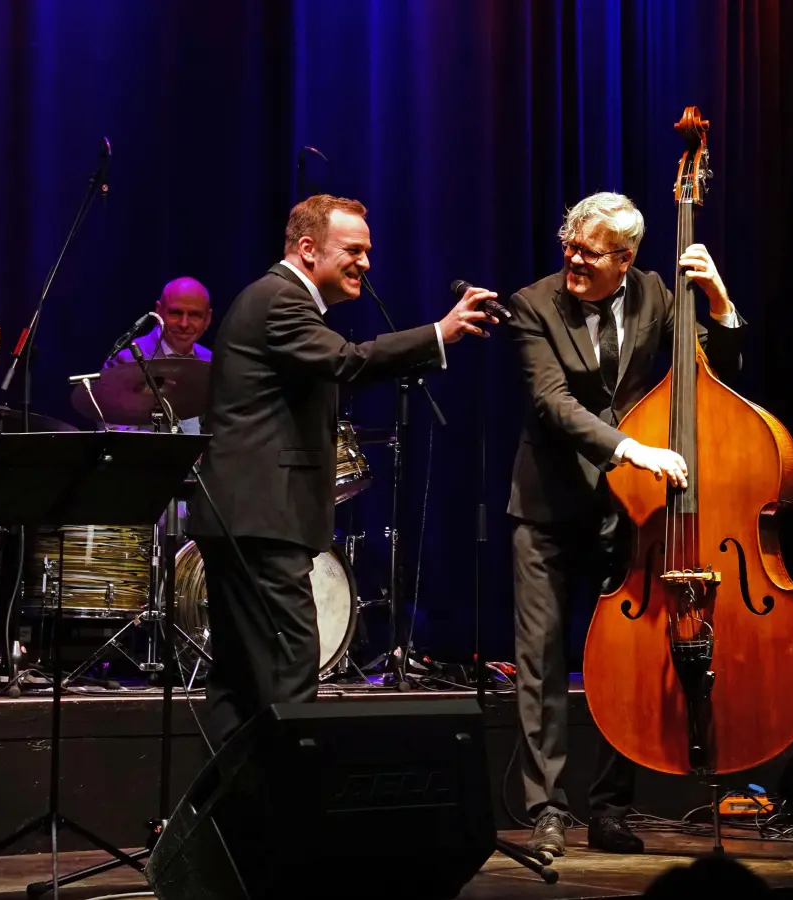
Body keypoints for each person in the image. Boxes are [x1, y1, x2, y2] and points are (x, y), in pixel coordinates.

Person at [186, 194, 496, 744]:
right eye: (353, 249)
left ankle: (229, 820)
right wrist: (437, 335)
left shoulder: (277, 300)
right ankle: (285, 820)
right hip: (260, 521)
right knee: (290, 667)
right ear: (308, 250)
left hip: (245, 518)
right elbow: (346, 360)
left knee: (237, 681)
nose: (366, 262)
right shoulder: (280, 300)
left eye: (367, 251)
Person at [506, 192, 746, 858]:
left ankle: (611, 808)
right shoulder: (533, 304)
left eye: (590, 252)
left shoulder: (656, 295)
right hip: (548, 508)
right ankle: (547, 810)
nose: (574, 260)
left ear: (627, 257)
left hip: (631, 512)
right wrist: (628, 447)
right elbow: (552, 405)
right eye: (570, 247)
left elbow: (711, 377)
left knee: (630, 663)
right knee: (541, 663)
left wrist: (722, 310)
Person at [101, 276, 214, 434]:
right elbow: (116, 432)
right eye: (176, 313)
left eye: (195, 315)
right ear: (158, 311)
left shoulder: (212, 361)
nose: (184, 324)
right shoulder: (125, 361)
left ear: (208, 319)